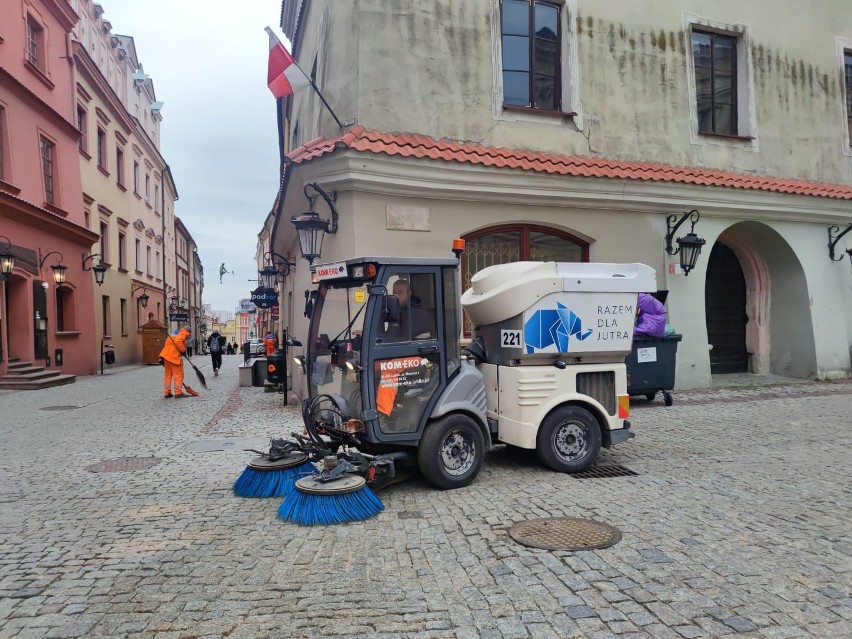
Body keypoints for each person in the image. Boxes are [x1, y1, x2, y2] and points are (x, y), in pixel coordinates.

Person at [159, 326, 191, 398]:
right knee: (178, 375)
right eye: (189, 335)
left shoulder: (173, 335)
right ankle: (178, 392)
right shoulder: (183, 333)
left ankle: (167, 392)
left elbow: (171, 345)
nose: (188, 336)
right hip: (174, 357)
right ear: (188, 332)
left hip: (166, 357)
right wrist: (183, 350)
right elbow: (178, 342)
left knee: (168, 376)